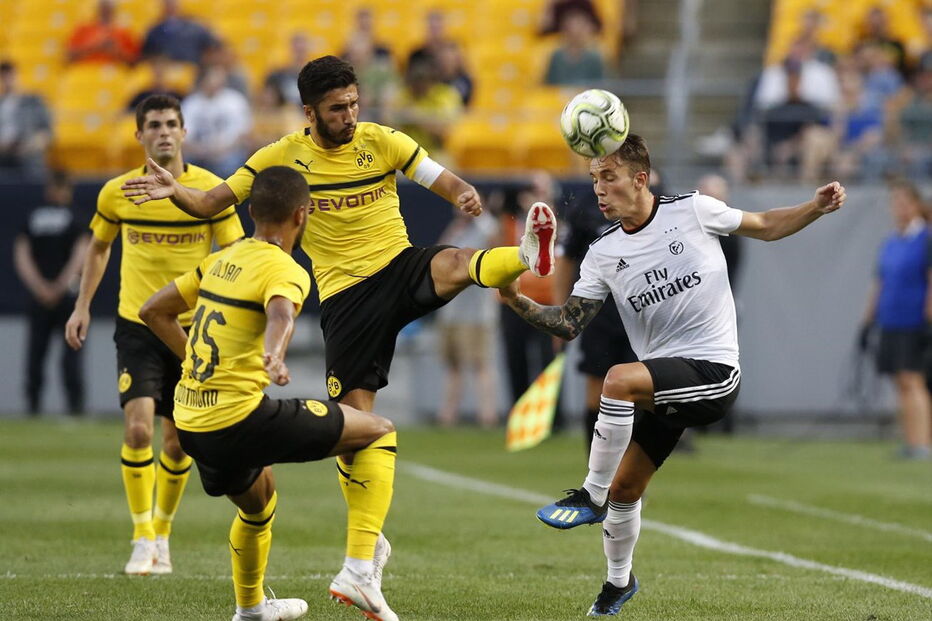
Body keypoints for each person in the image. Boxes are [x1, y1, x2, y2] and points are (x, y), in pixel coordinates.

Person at [120, 53, 555, 593]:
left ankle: (528, 256)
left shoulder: (382, 141)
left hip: (397, 264)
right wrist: (175, 191)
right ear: (309, 112)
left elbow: (440, 178)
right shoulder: (282, 157)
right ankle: (363, 555)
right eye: (336, 108)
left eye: (353, 104)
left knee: (456, 263)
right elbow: (211, 201)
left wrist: (462, 193)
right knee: (357, 431)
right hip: (349, 300)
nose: (349, 115)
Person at [497, 134, 845, 615]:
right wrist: (516, 298)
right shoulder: (602, 252)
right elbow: (569, 322)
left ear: (640, 179)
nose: (598, 189)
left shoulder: (693, 210)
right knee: (627, 487)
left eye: (609, 177)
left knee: (616, 380)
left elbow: (764, 224)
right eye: (595, 179)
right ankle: (618, 583)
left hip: (714, 370)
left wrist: (814, 207)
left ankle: (589, 496)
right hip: (664, 383)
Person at [140, 166, 400, 621]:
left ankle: (252, 609)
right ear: (302, 215)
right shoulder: (286, 269)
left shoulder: (222, 258)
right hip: (237, 419)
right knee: (377, 430)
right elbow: (280, 313)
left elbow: (153, 310)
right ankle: (359, 569)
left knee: (260, 501)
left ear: (251, 210)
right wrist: (274, 355)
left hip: (191, 422)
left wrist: (197, 365)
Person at [64, 94, 244, 575]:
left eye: (171, 124)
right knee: (139, 427)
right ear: (138, 135)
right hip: (137, 324)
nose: (164, 132)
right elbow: (99, 249)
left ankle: (163, 533)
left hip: (194, 329)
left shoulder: (210, 191)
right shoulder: (117, 192)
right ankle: (142, 536)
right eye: (154, 125)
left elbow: (236, 255)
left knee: (176, 441)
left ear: (184, 132)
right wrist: (81, 306)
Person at [860, 182, 931, 460]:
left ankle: (923, 443)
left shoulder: (926, 239)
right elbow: (879, 283)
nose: (898, 208)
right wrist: (867, 322)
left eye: (903, 202)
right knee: (899, 381)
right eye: (895, 202)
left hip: (914, 321)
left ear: (915, 204)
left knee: (913, 380)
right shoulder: (890, 241)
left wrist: (929, 319)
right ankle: (912, 441)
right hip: (890, 321)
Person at [14, 171, 89, 415]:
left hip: (43, 294)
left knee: (40, 352)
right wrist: (57, 285)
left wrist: (40, 287)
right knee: (65, 352)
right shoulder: (74, 217)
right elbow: (82, 252)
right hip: (66, 295)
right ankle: (71, 406)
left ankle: (37, 405)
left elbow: (22, 253)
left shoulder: (34, 217)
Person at [435, 205, 499, 428]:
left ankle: (487, 415)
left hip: (476, 313)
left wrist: (482, 213)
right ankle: (448, 414)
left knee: (480, 364)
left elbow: (494, 239)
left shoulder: (485, 228)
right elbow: (439, 255)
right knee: (453, 364)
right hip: (451, 311)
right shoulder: (457, 230)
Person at [182, 66, 252, 178]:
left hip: (228, 152)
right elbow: (183, 136)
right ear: (203, 81)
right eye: (211, 78)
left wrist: (223, 149)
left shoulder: (235, 100)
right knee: (187, 165)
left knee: (228, 165)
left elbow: (243, 133)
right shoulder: (191, 102)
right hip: (197, 152)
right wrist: (199, 150)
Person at [0, 60, 52, 181]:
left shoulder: (33, 101)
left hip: (27, 154)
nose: (7, 79)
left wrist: (30, 146)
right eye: (3, 75)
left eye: (10, 74)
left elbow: (46, 133)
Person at [141, 0, 218, 64]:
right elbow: (146, 56)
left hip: (194, 71)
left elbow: (213, 47)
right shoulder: (154, 31)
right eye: (168, 3)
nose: (171, 5)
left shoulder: (196, 27)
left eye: (173, 2)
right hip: (166, 74)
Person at [543, 7, 605, 86]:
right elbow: (549, 85)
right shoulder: (557, 56)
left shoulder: (595, 58)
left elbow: (601, 85)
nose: (575, 34)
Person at [66, 0, 139, 65]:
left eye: (108, 9)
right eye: (103, 8)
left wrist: (115, 51)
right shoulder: (83, 29)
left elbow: (134, 62)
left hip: (115, 74)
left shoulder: (124, 32)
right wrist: (95, 46)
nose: (105, 12)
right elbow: (69, 57)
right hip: (85, 73)